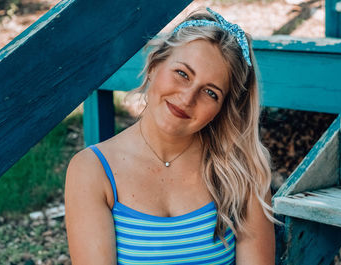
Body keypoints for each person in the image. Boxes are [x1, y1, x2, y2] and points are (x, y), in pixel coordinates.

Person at [65, 7, 277, 265]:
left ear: (222, 109)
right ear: (155, 64)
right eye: (182, 74)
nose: (187, 98)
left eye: (210, 92)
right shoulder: (92, 170)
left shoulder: (242, 172)